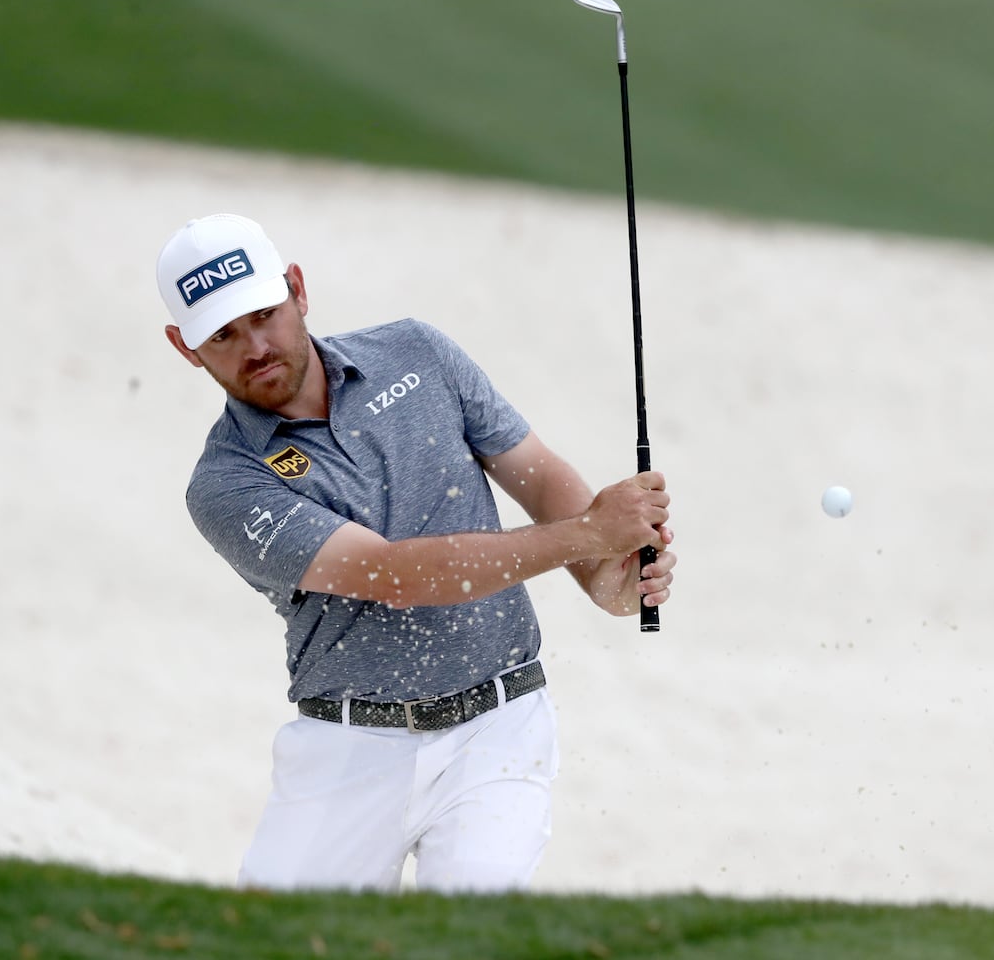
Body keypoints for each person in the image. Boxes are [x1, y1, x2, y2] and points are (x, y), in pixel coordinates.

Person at [155, 213, 676, 893]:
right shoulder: (226, 482)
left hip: (498, 726)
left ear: (298, 289)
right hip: (348, 748)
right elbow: (394, 575)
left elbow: (539, 475)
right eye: (223, 334)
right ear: (184, 347)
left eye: (264, 314)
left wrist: (608, 575)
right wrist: (590, 535)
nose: (256, 345)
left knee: (464, 933)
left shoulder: (416, 353)